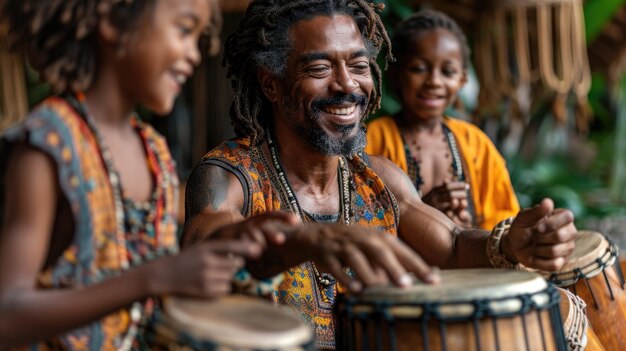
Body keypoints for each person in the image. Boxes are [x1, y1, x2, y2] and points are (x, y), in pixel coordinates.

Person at [182, 1, 577, 349]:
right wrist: (301, 241)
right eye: (320, 67)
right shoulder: (231, 176)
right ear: (271, 83)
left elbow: (453, 246)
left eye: (357, 65)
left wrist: (509, 245)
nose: (347, 84)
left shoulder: (378, 179)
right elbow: (203, 255)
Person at [0, 0, 297, 349]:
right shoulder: (48, 144)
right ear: (113, 20)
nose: (194, 55)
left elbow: (145, 285)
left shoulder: (154, 153)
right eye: (184, 31)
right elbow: (7, 315)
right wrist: (155, 278)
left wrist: (234, 240)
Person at [365, 9, 520, 230]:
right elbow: (361, 227)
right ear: (396, 75)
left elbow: (505, 222)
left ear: (462, 79)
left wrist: (469, 234)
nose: (434, 81)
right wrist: (421, 215)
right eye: (419, 69)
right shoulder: (374, 140)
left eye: (447, 72)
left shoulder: (476, 144)